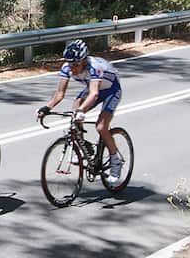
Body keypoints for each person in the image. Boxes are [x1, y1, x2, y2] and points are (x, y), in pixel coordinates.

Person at [38, 39, 125, 184]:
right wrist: (47, 108)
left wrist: (81, 110)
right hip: (93, 88)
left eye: (76, 65)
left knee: (101, 127)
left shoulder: (95, 67)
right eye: (70, 64)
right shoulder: (67, 67)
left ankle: (116, 160)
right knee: (75, 110)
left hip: (111, 90)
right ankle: (85, 146)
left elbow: (94, 94)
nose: (73, 68)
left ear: (84, 61)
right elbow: (60, 94)